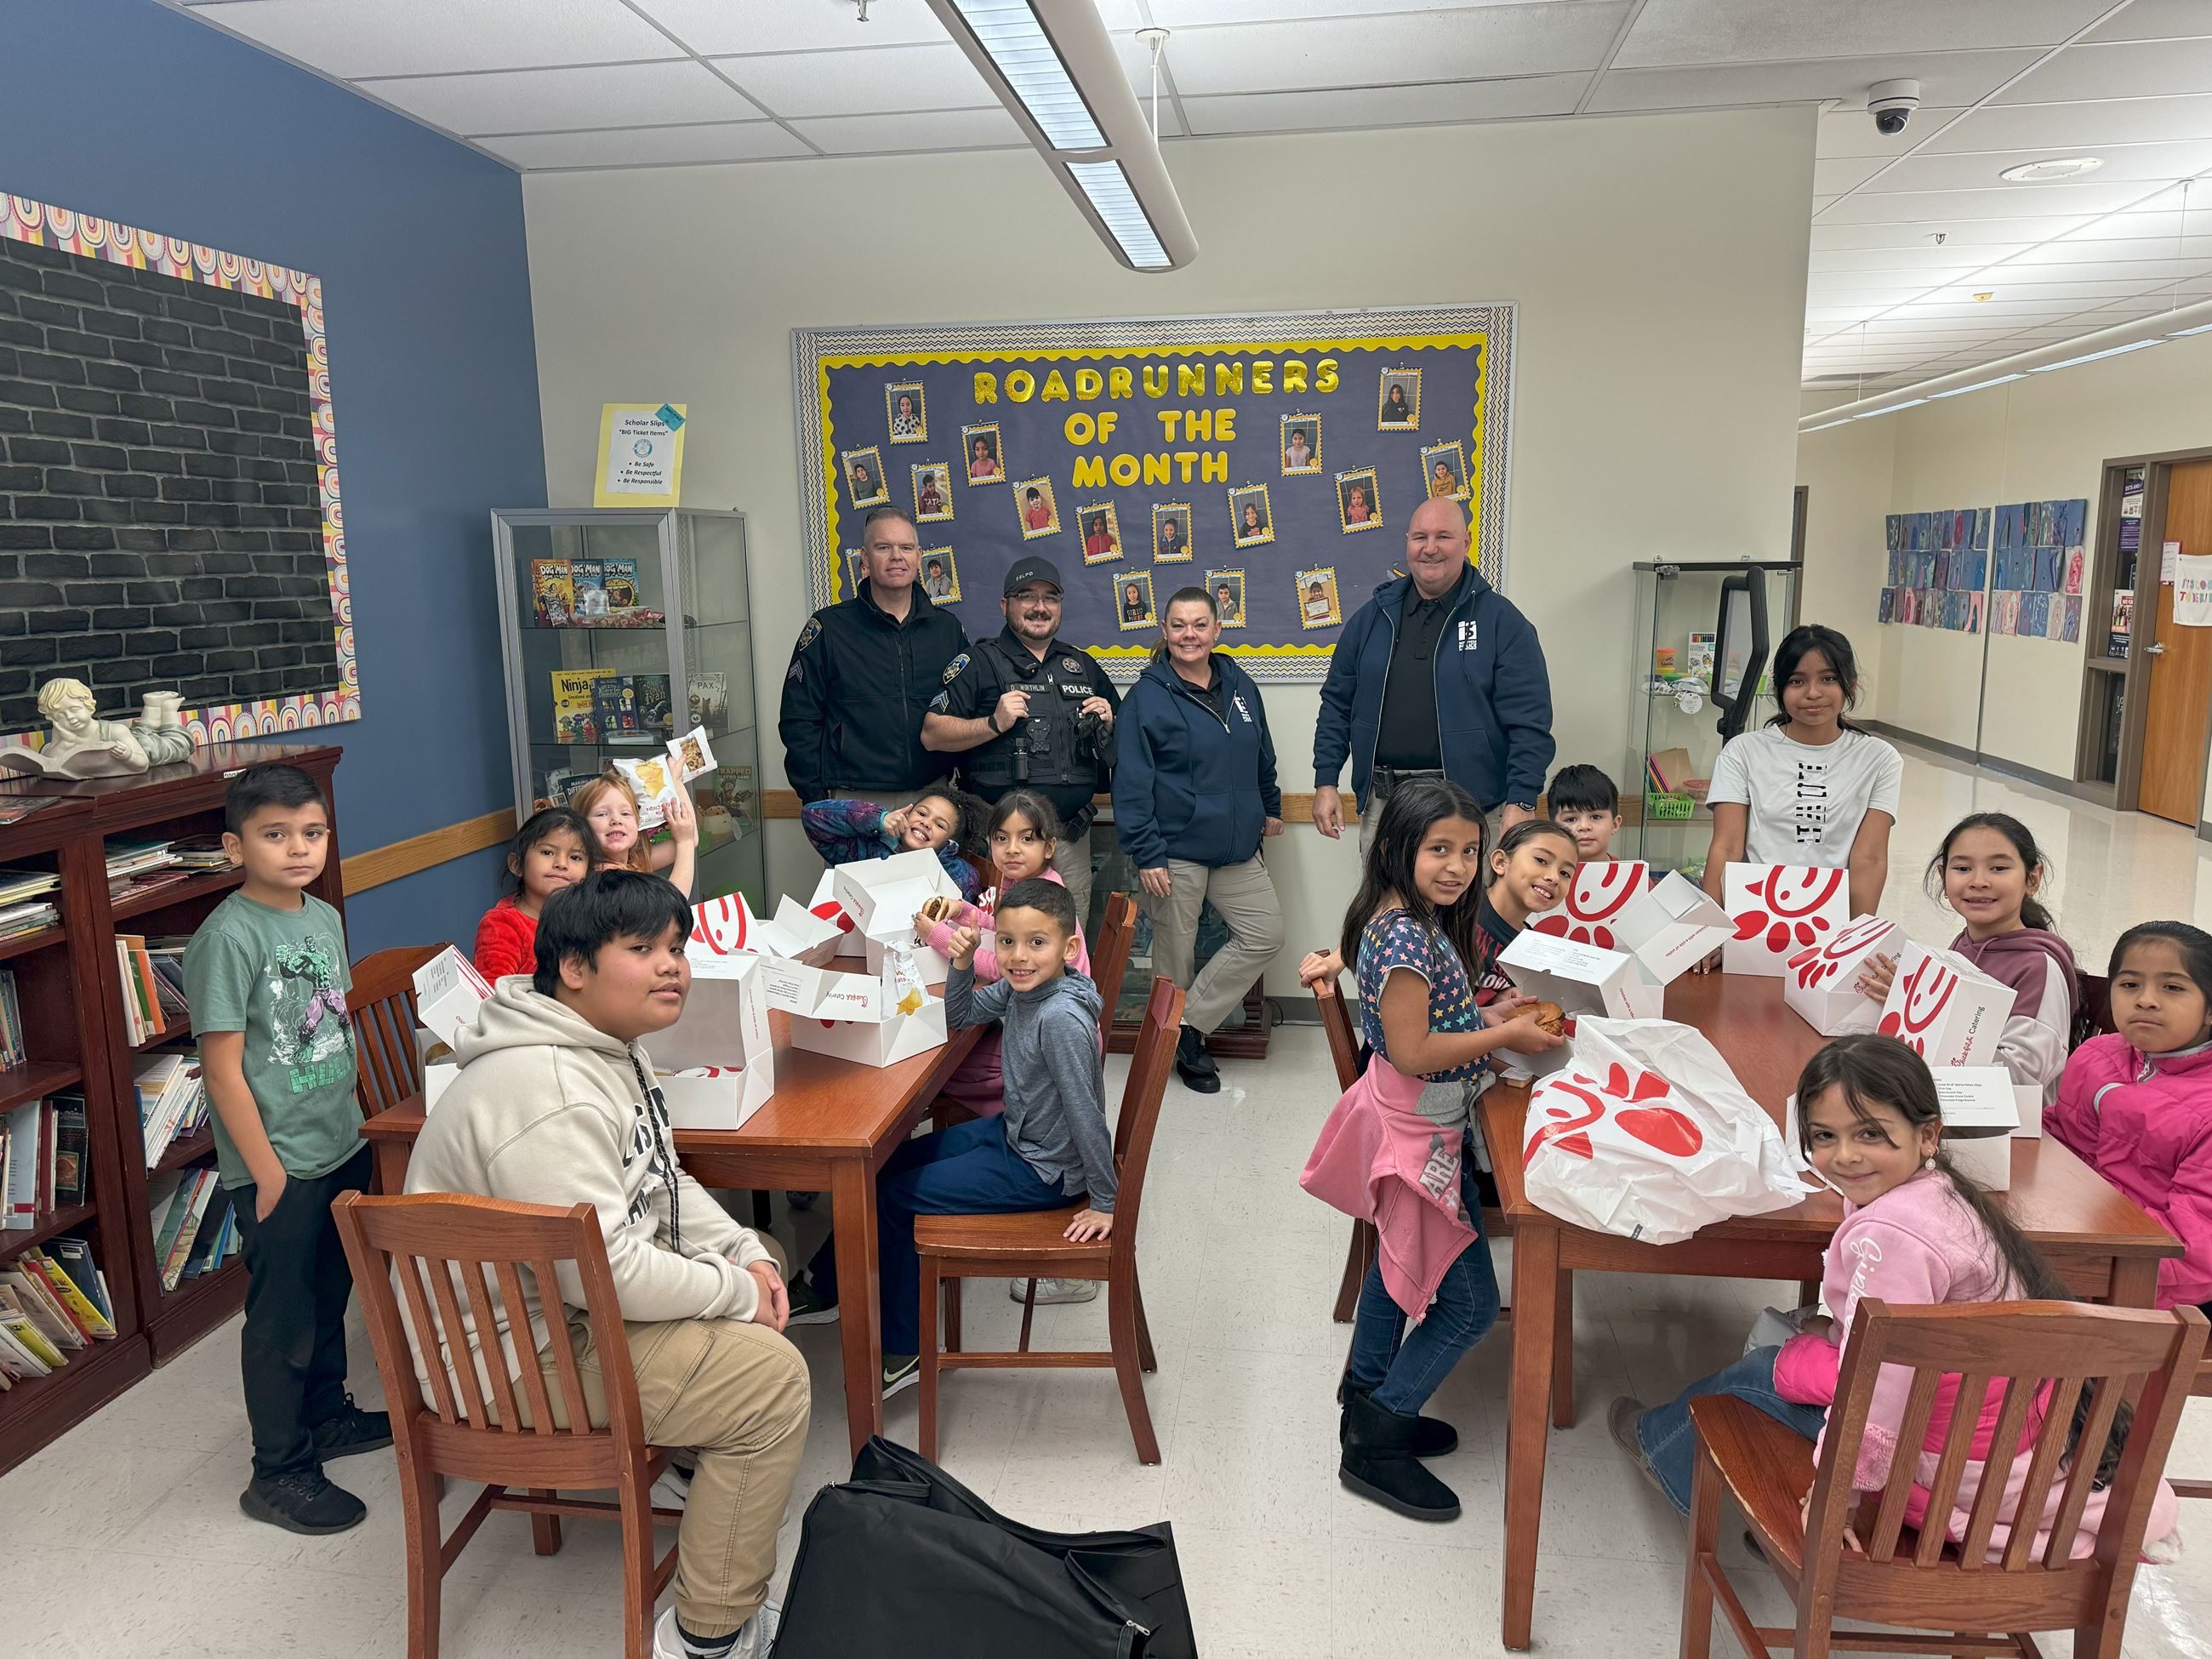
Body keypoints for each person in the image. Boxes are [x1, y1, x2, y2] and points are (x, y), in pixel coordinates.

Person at [405, 872, 807, 1659]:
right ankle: (709, 1637)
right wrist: (735, 1294)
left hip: (567, 1309)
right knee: (771, 1383)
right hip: (513, 1362)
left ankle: (692, 1456)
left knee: (770, 1260)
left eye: (676, 948)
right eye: (643, 949)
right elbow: (607, 1274)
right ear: (574, 968)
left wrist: (744, 1256)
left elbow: (664, 1182)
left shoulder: (605, 1048)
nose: (672, 966)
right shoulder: (548, 1088)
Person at [1611, 1035, 2180, 1562]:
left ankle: (1657, 1449)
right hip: (2009, 1435)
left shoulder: (1891, 1237)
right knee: (1808, 1338)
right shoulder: (1945, 1195)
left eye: (1869, 1134)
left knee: (1762, 1371)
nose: (1845, 1156)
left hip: (1953, 1463)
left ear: (1928, 1135)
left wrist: (1837, 1496)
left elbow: (1875, 1389)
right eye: (1824, 1137)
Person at [1300, 778, 1562, 1519]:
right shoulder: (1405, 937)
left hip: (1419, 1119)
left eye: (1470, 851)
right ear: (1395, 849)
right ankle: (1376, 1438)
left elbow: (1425, 1021)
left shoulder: (1411, 919)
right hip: (1418, 1131)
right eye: (1439, 849)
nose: (1457, 867)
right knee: (1472, 1306)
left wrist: (1487, 1013)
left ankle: (1367, 1400)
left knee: (1394, 1268)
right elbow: (1414, 1050)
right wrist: (1506, 1036)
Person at [786, 879, 1117, 1397]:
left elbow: (1086, 1114)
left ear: (1069, 948)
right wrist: (963, 964)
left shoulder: (1059, 1019)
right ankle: (827, 1285)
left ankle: (905, 1349)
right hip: (1017, 1137)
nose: (1018, 956)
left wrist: (1105, 1201)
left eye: (1036, 943)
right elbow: (960, 1016)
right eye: (1006, 942)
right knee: (884, 1165)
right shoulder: (1025, 988)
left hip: (1045, 1170)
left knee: (894, 1198)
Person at [183, 763, 386, 1536]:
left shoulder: (322, 916)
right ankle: (277, 1470)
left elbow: (332, 1024)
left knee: (330, 1295)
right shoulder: (227, 937)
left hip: (339, 1142)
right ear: (235, 847)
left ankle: (326, 1417)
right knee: (282, 1319)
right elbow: (222, 1069)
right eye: (275, 834)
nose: (298, 848)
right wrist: (266, 1173)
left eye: (312, 832)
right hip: (279, 1166)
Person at [1113, 586, 1286, 1093]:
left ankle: (1187, 1028)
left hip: (1236, 849)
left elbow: (1262, 753)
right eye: (1179, 625)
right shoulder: (1146, 698)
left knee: (1265, 934)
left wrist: (1270, 806)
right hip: (1174, 853)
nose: (1189, 635)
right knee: (1175, 960)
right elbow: (1131, 783)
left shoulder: (1240, 685)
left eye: (1200, 624)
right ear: (1164, 631)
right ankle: (1171, 1048)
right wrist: (1147, 852)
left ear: (1217, 629)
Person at [1314, 496, 1556, 853]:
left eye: (1443, 536)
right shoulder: (1370, 620)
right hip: (1386, 808)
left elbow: (1530, 722)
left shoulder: (1503, 623)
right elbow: (1336, 705)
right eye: (1420, 537)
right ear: (1407, 543)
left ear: (1466, 542)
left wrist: (1521, 800)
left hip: (1473, 808)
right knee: (1386, 894)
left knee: (1469, 894)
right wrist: (1326, 781)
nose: (1430, 548)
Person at [921, 556, 1120, 925]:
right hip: (1000, 843)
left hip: (1069, 839)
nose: (1039, 607)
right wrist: (993, 723)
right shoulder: (977, 663)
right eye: (1027, 596)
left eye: (1050, 598)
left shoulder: (1082, 665)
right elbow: (932, 734)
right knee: (995, 936)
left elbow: (1121, 743)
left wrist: (1109, 723)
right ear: (1005, 605)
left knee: (1066, 939)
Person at [1856, 813, 2077, 1103]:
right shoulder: (1963, 945)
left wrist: (1927, 1017)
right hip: (1941, 1102)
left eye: (1999, 868)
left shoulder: (2039, 967)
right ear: (1943, 877)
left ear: (2032, 878)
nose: (1978, 881)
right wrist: (1905, 1006)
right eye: (1962, 868)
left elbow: (2020, 1078)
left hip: (2002, 1121)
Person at [2049, 922, 2212, 1311]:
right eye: (2130, 984)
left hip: (2151, 1289)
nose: (2146, 1000)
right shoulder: (2098, 1056)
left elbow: (2195, 1251)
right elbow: (2058, 1144)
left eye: (2172, 987)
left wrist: (2079, 1273)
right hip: (2076, 1243)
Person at [1700, 624, 1901, 929]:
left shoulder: (1880, 758)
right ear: (1780, 689)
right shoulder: (1742, 751)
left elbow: (1870, 859)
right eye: (1797, 681)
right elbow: (1726, 847)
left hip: (1832, 920)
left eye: (1828, 678)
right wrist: (1709, 929)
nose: (1813, 693)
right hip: (1750, 918)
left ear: (1851, 684)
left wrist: (1854, 939)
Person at [779, 504, 968, 813]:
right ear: (865, 559)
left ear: (919, 556)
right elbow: (799, 719)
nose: (896, 556)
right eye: (884, 547)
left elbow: (967, 711)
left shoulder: (947, 630)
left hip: (932, 798)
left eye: (905, 547)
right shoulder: (829, 629)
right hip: (855, 799)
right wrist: (816, 800)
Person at [799, 788, 986, 903]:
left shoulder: (956, 874)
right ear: (906, 815)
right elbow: (811, 817)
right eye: (922, 814)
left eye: (940, 825)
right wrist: (878, 819)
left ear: (950, 842)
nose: (926, 823)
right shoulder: (867, 848)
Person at [474, 805, 596, 980]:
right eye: (547, 852)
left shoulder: (588, 916)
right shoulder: (503, 925)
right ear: (517, 864)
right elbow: (493, 992)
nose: (562, 864)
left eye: (575, 857)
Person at [1471, 818, 1578, 1003]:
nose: (1554, 878)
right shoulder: (1462, 904)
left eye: (1565, 873)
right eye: (1541, 860)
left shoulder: (1531, 949)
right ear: (1500, 862)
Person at [573, 772, 699, 898]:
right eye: (602, 814)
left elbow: (691, 838)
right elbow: (673, 905)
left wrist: (676, 781)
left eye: (625, 813)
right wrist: (685, 841)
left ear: (639, 822)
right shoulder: (605, 880)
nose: (616, 819)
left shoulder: (633, 862)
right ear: (581, 825)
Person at [1545, 763, 1622, 864]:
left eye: (1596, 817)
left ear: (1615, 824)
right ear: (1553, 827)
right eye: (1571, 819)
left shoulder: (1632, 873)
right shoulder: (1542, 872)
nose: (1584, 826)